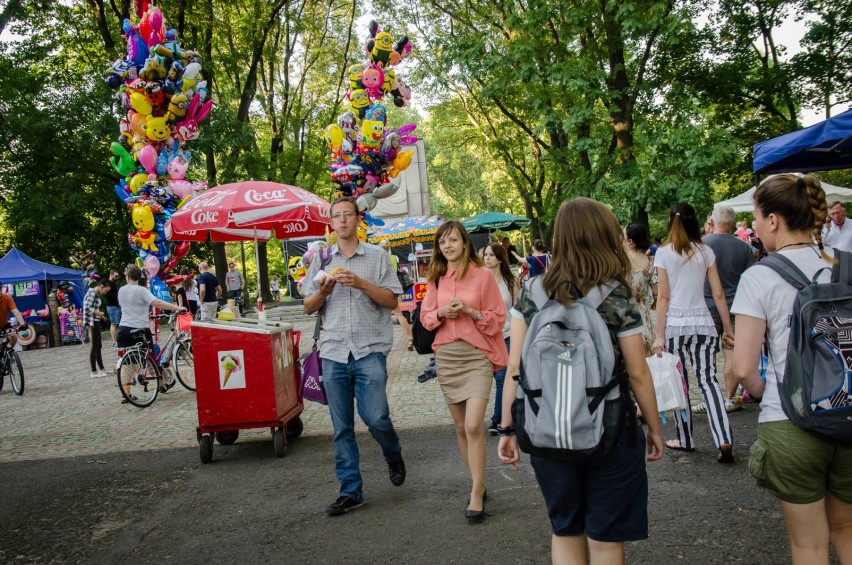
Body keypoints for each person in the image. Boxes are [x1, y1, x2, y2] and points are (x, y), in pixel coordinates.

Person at [498, 197, 664, 564]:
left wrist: (508, 428)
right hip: (610, 426)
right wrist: (653, 427)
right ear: (603, 236)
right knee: (605, 540)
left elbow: (515, 366)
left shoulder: (533, 291)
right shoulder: (615, 294)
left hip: (546, 428)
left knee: (566, 530)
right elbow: (638, 371)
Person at [732, 173, 852, 565]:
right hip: (849, 413)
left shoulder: (760, 277)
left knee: (809, 545)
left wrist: (769, 391)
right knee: (848, 529)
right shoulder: (847, 265)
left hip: (792, 419)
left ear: (773, 220)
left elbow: (744, 368)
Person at [301, 197, 406, 516]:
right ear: (331, 222)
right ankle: (351, 490)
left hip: (369, 350)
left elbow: (391, 300)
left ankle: (393, 453)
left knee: (376, 417)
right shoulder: (320, 259)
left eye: (348, 215)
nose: (343, 220)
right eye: (337, 216)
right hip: (333, 352)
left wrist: (360, 283)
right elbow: (307, 306)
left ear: (357, 220)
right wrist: (323, 292)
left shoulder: (377, 257)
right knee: (342, 426)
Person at [419, 221, 508, 522]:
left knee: (473, 426)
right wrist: (442, 312)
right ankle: (478, 484)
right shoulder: (436, 278)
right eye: (442, 242)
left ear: (464, 243)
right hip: (447, 357)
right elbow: (425, 318)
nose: (448, 246)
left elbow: (498, 317)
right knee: (459, 427)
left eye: (453, 240)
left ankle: (475, 493)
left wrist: (471, 311)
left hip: (477, 356)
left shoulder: (482, 276)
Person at [653, 203, 736, 463]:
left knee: (681, 384)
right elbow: (719, 293)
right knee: (709, 381)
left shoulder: (664, 254)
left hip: (676, 327)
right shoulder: (706, 252)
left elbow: (663, 297)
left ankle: (686, 438)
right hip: (704, 324)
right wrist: (729, 328)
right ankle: (723, 438)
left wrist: (659, 334)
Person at [699, 205, 755, 413]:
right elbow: (749, 278)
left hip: (707, 306)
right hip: (736, 306)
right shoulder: (744, 248)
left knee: (706, 355)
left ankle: (709, 397)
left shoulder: (702, 245)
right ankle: (729, 398)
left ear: (712, 222)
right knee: (731, 352)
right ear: (732, 224)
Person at [117, 265, 185, 403]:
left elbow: (129, 307)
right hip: (139, 329)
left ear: (127, 276)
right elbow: (157, 302)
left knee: (128, 362)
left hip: (123, 328)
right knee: (150, 357)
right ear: (139, 277)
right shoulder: (142, 290)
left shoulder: (121, 290)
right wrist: (178, 307)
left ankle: (126, 393)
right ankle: (160, 384)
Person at [482, 242, 519, 435]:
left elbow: (518, 308)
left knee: (502, 376)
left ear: (499, 258)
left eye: (491, 255)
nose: (487, 258)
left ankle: (498, 420)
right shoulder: (480, 280)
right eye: (485, 255)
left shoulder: (510, 281)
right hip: (486, 335)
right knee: (486, 377)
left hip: (507, 333)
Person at [624, 223, 657, 355]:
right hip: (644, 312)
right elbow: (656, 291)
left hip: (625, 312)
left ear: (630, 241)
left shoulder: (619, 261)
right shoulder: (651, 262)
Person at [378, 240, 414, 350]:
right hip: (393, 290)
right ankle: (410, 339)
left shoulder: (378, 258)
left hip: (382, 291)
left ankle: (379, 343)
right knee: (399, 314)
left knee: (379, 317)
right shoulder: (393, 258)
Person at [83, 278, 110, 378]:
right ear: (101, 286)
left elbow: (92, 308)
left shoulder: (95, 294)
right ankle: (93, 371)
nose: (105, 293)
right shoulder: (92, 293)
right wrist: (99, 313)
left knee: (98, 346)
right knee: (94, 346)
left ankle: (102, 369)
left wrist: (100, 316)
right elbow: (87, 307)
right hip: (92, 322)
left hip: (95, 320)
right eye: (105, 290)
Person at [0, 282, 29, 349]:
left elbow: (15, 311)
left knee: (14, 335)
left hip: (4, 325)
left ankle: (8, 352)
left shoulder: (7, 298)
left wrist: (22, 324)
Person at [103, 269, 121, 348]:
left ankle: (118, 340)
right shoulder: (108, 283)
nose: (117, 277)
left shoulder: (113, 284)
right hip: (111, 306)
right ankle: (114, 341)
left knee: (117, 323)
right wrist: (116, 295)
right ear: (112, 274)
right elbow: (106, 295)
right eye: (116, 276)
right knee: (113, 324)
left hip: (116, 305)